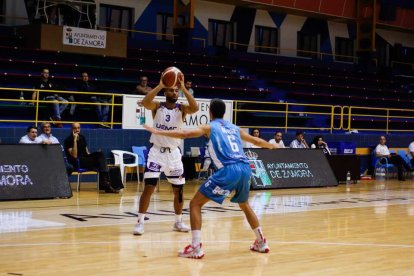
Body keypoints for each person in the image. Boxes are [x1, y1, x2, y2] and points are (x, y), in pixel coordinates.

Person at [144, 98, 279, 259]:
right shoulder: (235, 128)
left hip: (229, 169)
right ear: (224, 112)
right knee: (244, 205)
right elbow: (256, 141)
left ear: (210, 112)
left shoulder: (210, 127)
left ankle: (195, 247)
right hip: (245, 168)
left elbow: (185, 134)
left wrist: (159, 132)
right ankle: (261, 242)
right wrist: (272, 146)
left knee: (195, 204)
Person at [133, 75, 199, 236]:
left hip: (174, 154)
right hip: (156, 152)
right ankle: (140, 222)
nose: (175, 93)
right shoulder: (157, 106)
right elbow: (147, 102)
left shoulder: (181, 109)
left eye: (176, 91)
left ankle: (178, 221)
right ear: (165, 92)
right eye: (171, 90)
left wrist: (183, 89)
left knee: (179, 190)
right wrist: (160, 85)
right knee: (149, 187)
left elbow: (195, 108)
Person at [64, 122, 118, 193]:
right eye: (75, 128)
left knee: (100, 154)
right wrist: (74, 140)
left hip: (85, 159)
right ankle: (105, 183)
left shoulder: (82, 137)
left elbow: (87, 152)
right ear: (71, 129)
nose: (77, 130)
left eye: (78, 128)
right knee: (102, 162)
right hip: (77, 161)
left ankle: (105, 182)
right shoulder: (68, 140)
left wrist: (96, 156)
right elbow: (74, 155)